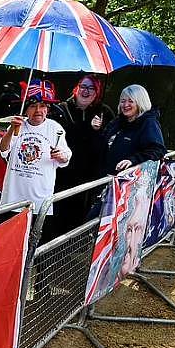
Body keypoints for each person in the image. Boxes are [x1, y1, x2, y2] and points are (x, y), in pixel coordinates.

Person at [0, 79, 72, 232]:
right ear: (26, 109)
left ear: (48, 108)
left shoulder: (54, 128)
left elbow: (66, 156)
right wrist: (11, 129)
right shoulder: (18, 126)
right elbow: (3, 150)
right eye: (33, 106)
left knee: (34, 246)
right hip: (12, 200)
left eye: (43, 106)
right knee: (7, 244)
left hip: (40, 202)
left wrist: (61, 155)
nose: (38, 110)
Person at [48, 74, 116, 236]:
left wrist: (99, 131)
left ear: (97, 91)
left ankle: (75, 242)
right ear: (76, 88)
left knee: (81, 212)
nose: (86, 91)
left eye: (91, 88)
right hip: (63, 172)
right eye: (83, 86)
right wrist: (88, 127)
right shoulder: (61, 109)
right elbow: (63, 136)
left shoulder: (104, 112)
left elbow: (109, 141)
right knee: (58, 210)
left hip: (90, 174)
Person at [103, 84, 166, 174]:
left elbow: (157, 151)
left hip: (130, 181)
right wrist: (96, 130)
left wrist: (132, 161)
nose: (125, 105)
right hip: (106, 178)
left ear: (140, 102)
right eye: (123, 101)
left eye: (130, 101)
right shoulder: (117, 121)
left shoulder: (148, 123)